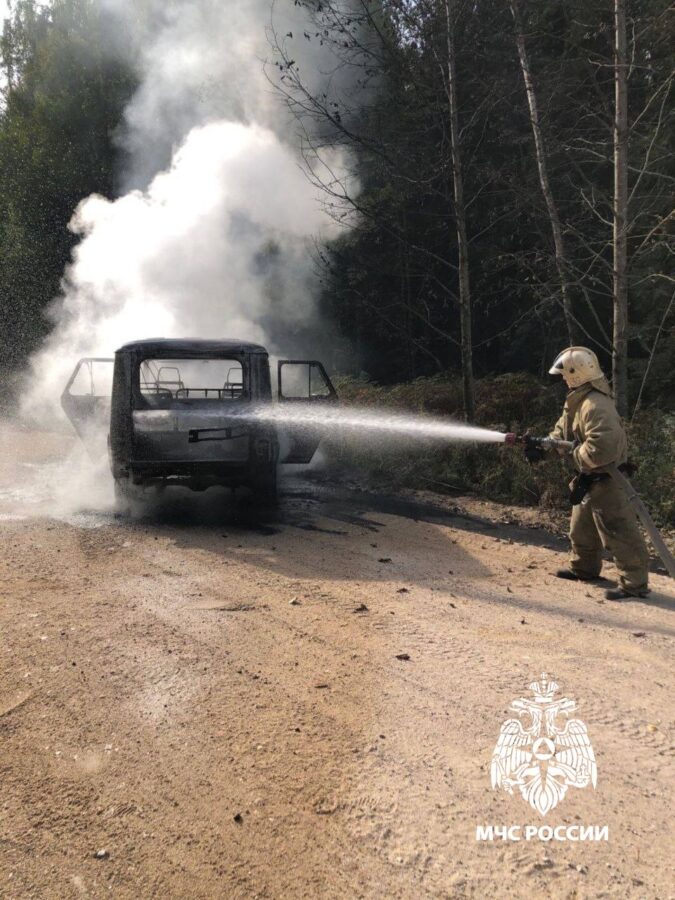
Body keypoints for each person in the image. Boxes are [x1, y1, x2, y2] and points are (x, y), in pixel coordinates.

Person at [526, 346, 649, 600]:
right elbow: (562, 436)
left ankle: (635, 584)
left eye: (564, 374)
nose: (562, 378)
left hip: (608, 480)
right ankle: (584, 569)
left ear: (576, 373)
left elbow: (602, 448)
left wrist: (574, 456)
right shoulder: (576, 401)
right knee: (581, 529)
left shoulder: (595, 405)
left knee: (619, 531)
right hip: (589, 478)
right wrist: (542, 447)